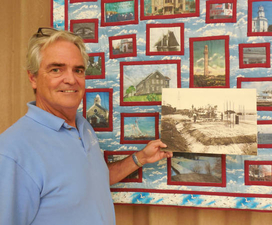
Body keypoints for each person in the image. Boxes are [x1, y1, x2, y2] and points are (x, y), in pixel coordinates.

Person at [0, 27, 173, 225]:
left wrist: (140, 158)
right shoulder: (12, 152)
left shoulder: (83, 127)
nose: (71, 79)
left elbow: (91, 181)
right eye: (56, 69)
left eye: (78, 70)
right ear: (33, 78)